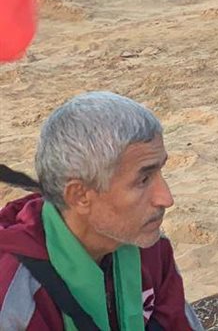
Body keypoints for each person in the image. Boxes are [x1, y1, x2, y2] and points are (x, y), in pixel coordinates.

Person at [0, 92, 204, 330]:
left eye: (160, 171)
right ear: (80, 196)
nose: (166, 198)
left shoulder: (150, 250)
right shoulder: (14, 294)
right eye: (144, 179)